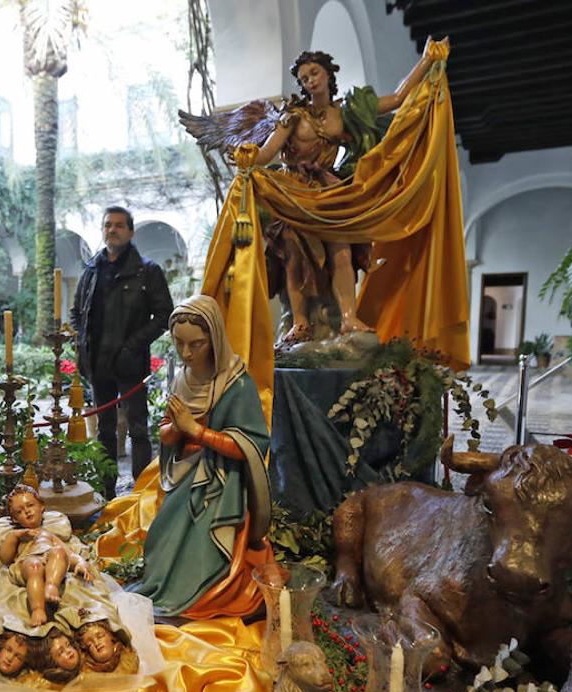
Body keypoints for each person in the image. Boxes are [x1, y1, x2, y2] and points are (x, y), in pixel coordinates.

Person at [250, 49, 437, 343]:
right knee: (294, 255)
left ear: (328, 74)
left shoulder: (347, 112)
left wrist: (427, 60)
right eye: (304, 78)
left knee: (342, 253)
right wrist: (248, 156)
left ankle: (349, 318)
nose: (310, 81)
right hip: (294, 193)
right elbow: (267, 153)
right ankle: (299, 321)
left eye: (314, 73)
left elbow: (398, 99)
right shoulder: (292, 117)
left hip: (329, 192)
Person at [138, 295, 273, 618]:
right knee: (161, 535)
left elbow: (252, 444)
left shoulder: (236, 384)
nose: (186, 353)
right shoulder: (183, 377)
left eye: (195, 345)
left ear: (214, 339)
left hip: (221, 484)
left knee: (197, 543)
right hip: (187, 473)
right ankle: (167, 586)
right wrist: (175, 430)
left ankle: (198, 591)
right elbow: (167, 429)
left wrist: (196, 431)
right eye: (179, 343)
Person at [70, 206, 173, 499]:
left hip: (130, 364)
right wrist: (80, 341)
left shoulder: (147, 271)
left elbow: (164, 314)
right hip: (97, 365)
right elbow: (77, 312)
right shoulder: (91, 270)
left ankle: (140, 495)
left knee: (139, 430)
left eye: (118, 225)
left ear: (130, 231)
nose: (112, 230)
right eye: (107, 225)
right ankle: (107, 494)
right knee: (104, 432)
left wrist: (132, 345)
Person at [0, 485, 95, 627]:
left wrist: (80, 563)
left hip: (51, 560)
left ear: (41, 506)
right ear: (15, 519)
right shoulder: (19, 537)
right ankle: (38, 609)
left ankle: (51, 586)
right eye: (20, 511)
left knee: (58, 551)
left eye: (30, 505)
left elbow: (69, 554)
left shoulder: (48, 534)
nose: (27, 512)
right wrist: (15, 535)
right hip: (30, 561)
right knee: (34, 566)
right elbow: (4, 559)